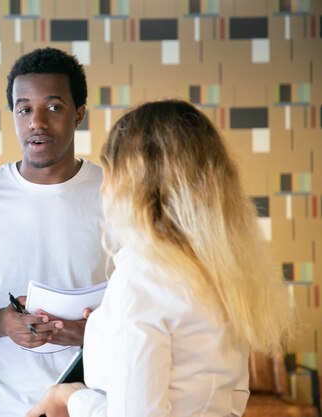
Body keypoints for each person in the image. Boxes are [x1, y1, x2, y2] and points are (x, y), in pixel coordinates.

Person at [27, 99, 295, 417]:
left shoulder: (143, 278)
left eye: (110, 174)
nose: (103, 189)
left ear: (136, 185)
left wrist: (69, 397)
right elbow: (235, 397)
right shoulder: (226, 268)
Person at [0, 47, 110, 417]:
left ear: (78, 113)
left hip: (96, 403)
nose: (37, 122)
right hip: (0, 407)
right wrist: (3, 321)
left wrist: (90, 333)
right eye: (24, 108)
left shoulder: (118, 193)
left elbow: (146, 306)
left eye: (53, 107)